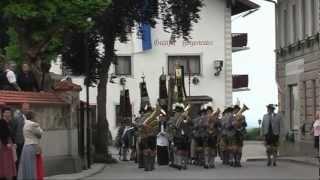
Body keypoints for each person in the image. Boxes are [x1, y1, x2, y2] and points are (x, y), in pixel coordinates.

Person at [17, 111, 44, 180]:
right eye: (35, 116)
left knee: (27, 166)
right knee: (32, 166)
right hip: (32, 146)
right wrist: (38, 124)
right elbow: (41, 133)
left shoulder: (25, 124)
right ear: (32, 117)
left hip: (26, 147)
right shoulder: (33, 124)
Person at [10, 103, 30, 171]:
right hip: (19, 143)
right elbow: (12, 131)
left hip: (27, 142)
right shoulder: (16, 118)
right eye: (25, 109)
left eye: (27, 109)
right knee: (18, 160)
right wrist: (14, 142)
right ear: (21, 109)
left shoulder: (29, 118)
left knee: (26, 160)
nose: (26, 110)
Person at [0, 107, 17, 180]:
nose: (8, 114)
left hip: (9, 143)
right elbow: (1, 134)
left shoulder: (9, 122)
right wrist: (6, 143)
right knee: (5, 162)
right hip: (4, 145)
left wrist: (14, 143)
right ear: (3, 113)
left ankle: (8, 176)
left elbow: (11, 134)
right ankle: (5, 176)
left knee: (10, 162)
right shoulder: (1, 122)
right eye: (6, 112)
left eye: (9, 112)